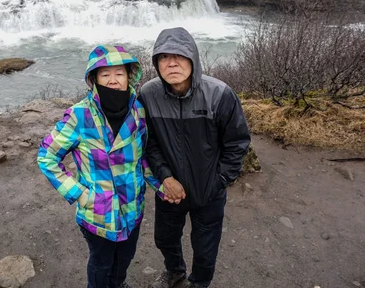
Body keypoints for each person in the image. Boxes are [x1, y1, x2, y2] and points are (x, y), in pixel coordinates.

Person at [37, 45, 165, 288]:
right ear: (94, 79)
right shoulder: (79, 116)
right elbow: (46, 155)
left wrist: (159, 185)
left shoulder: (137, 111)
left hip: (132, 207)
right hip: (97, 213)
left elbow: (143, 156)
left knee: (124, 258)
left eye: (119, 74)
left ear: (130, 76)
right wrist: (79, 194)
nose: (113, 81)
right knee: (100, 263)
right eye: (105, 75)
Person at [139, 28, 251, 288]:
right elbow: (149, 143)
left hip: (209, 191)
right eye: (164, 57)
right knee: (165, 238)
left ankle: (199, 283)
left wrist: (219, 181)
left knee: (205, 246)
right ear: (156, 63)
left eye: (180, 55)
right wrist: (165, 177)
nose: (172, 62)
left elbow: (237, 142)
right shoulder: (148, 95)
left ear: (193, 59)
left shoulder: (219, 94)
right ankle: (175, 270)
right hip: (170, 190)